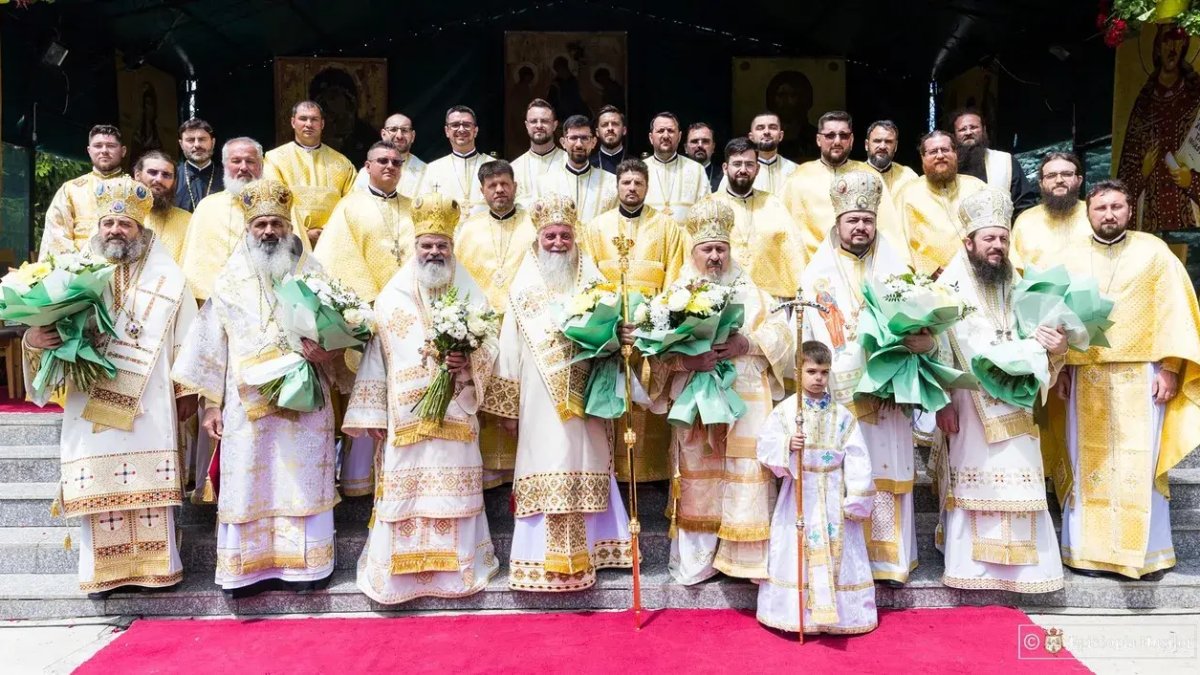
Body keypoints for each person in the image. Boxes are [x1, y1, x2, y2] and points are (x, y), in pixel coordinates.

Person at [172, 179, 353, 596]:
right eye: (261, 225)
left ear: (288, 228)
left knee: (302, 481)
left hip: (305, 403)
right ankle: (247, 571)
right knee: (249, 484)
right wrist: (210, 404)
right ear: (248, 230)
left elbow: (340, 336)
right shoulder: (229, 281)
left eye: (276, 224)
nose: (269, 231)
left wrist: (328, 353)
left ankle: (307, 568)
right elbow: (211, 347)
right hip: (246, 405)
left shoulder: (314, 275)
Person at [23, 176, 197, 598]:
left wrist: (187, 392)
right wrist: (33, 339)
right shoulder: (71, 276)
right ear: (98, 228)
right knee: (99, 483)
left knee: (148, 487)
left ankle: (156, 569)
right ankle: (102, 573)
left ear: (141, 229)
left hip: (150, 401)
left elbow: (188, 339)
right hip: (90, 401)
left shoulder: (170, 278)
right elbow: (43, 330)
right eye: (108, 224)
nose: (116, 230)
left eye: (125, 224)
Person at [342, 191, 501, 603]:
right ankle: (402, 577)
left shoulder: (470, 294)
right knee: (406, 495)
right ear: (415, 248)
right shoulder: (391, 297)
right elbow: (376, 358)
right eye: (427, 245)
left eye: (441, 246)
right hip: (406, 420)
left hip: (456, 413)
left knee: (454, 492)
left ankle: (457, 571)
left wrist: (467, 361)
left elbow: (491, 344)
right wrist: (374, 415)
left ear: (452, 248)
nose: (434, 252)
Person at [1047, 179, 1200, 580]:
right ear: (1088, 212)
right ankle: (1088, 554)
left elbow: (1173, 311)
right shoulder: (1069, 257)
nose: (1109, 214)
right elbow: (1055, 316)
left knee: (1140, 466)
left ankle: (1144, 555)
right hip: (1086, 376)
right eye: (1101, 208)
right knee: (1089, 465)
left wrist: (1170, 368)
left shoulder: (1155, 252)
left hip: (1142, 374)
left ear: (1130, 211)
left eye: (1117, 207)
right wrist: (1061, 368)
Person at [484, 193, 632, 591]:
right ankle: (537, 562)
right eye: (550, 236)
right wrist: (509, 408)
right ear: (538, 240)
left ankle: (596, 552)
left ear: (574, 237)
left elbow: (611, 335)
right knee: (545, 461)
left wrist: (617, 335)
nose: (558, 243)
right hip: (537, 398)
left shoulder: (594, 284)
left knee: (587, 459)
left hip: (587, 395)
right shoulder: (522, 290)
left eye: (565, 235)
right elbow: (509, 348)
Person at [932, 186, 1067, 593]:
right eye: (989, 238)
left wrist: (1057, 348)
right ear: (968, 242)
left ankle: (1026, 573)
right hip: (968, 402)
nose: (997, 246)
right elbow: (938, 350)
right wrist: (941, 402)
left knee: (1022, 479)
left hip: (1018, 402)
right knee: (975, 481)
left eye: (1004, 239)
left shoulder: (1020, 284)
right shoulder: (947, 288)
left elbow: (1043, 342)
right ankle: (973, 569)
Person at [651, 199, 792, 585]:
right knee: (700, 475)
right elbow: (656, 356)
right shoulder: (675, 295)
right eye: (707, 249)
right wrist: (688, 362)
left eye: (720, 249)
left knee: (746, 472)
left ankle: (745, 561)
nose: (715, 256)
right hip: (696, 401)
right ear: (693, 252)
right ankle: (700, 560)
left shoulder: (752, 290)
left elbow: (782, 334)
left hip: (746, 399)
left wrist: (747, 344)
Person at [800, 170, 918, 586]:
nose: (860, 227)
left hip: (890, 396)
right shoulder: (816, 276)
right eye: (853, 220)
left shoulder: (897, 271)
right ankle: (848, 560)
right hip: (841, 395)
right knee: (847, 472)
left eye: (867, 220)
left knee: (887, 467)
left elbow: (916, 325)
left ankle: (888, 563)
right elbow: (810, 337)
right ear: (838, 223)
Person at [755, 341, 877, 635]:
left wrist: (856, 497)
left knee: (840, 553)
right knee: (796, 551)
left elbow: (858, 456)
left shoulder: (842, 414)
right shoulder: (786, 412)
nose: (818, 378)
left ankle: (844, 617)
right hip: (800, 492)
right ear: (798, 372)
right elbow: (765, 446)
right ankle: (798, 616)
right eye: (811, 371)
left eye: (824, 372)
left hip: (834, 492)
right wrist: (787, 445)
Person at [582, 158, 688, 482]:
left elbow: (675, 276)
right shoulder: (597, 227)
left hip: (652, 331)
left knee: (649, 401)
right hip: (611, 331)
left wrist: (656, 321)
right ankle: (612, 474)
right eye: (626, 182)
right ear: (617, 186)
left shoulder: (667, 227)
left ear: (646, 187)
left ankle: (651, 475)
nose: (632, 188)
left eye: (638, 183)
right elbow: (588, 280)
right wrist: (609, 323)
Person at [456, 160, 535, 486]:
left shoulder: (532, 225)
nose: (499, 190)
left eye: (504, 184)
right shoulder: (469, 230)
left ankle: (524, 470)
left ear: (515, 186)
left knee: (526, 397)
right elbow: (458, 278)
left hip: (524, 327)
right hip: (483, 329)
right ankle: (487, 473)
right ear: (482, 191)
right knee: (481, 396)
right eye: (492, 185)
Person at [781, 111, 900, 257]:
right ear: (818, 140)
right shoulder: (798, 178)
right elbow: (784, 233)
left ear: (851, 139)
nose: (837, 141)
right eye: (830, 135)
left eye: (843, 135)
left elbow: (889, 229)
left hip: (862, 263)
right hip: (812, 263)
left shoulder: (870, 176)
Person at [1116, 24, 1200, 231]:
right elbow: (1124, 179)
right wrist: (1143, 172)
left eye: (1178, 41)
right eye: (1166, 41)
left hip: (1192, 220)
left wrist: (1192, 181)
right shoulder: (1143, 106)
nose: (1172, 48)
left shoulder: (1195, 99)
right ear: (1157, 47)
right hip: (1151, 221)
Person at [314, 141, 416, 303]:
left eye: (396, 163)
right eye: (383, 161)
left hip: (410, 298)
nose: (390, 166)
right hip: (368, 301)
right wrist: (368, 297)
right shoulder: (349, 207)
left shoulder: (413, 208)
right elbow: (339, 255)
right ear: (368, 167)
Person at [709, 137, 807, 300]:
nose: (743, 170)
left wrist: (801, 291)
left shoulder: (773, 204)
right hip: (723, 296)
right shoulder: (709, 206)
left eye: (749, 164)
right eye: (737, 164)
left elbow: (794, 251)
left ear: (757, 168)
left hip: (770, 297)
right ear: (725, 168)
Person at [179, 137, 267, 302]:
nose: (243, 167)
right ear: (225, 165)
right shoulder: (207, 207)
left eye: (250, 161)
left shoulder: (278, 206)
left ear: (261, 166)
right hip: (214, 303)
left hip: (263, 300)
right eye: (236, 161)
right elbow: (194, 269)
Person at [263, 100, 357, 247]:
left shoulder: (342, 162)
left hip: (334, 240)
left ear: (322, 124)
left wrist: (328, 231)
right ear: (293, 122)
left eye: (314, 119)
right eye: (303, 119)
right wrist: (303, 233)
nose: (308, 124)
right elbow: (274, 200)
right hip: (291, 241)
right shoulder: (274, 159)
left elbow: (352, 201)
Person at [893, 130, 988, 275]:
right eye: (933, 152)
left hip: (976, 273)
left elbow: (992, 233)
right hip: (928, 279)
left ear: (955, 153)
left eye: (945, 150)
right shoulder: (907, 194)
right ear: (923, 157)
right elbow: (898, 240)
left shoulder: (977, 188)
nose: (940, 156)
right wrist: (930, 268)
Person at [39, 124, 128, 259]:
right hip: (80, 266)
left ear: (123, 151)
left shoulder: (136, 190)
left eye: (111, 146)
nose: (104, 150)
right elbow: (56, 233)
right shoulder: (71, 189)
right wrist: (78, 265)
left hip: (125, 265)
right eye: (98, 146)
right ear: (89, 151)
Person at [1011, 152, 1093, 270]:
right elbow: (1015, 269)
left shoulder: (1095, 213)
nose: (1059, 180)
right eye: (1051, 176)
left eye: (1067, 174)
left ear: (1079, 180)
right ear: (1041, 184)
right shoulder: (1025, 220)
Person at [951, 109, 1036, 215]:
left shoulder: (1005, 161)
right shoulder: (949, 165)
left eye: (973, 127)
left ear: (984, 130)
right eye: (962, 129)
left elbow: (1024, 204)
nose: (968, 132)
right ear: (955, 135)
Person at [544, 115, 617, 224]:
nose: (579, 144)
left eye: (584, 138)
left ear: (593, 142)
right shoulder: (546, 182)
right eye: (573, 138)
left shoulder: (611, 183)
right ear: (563, 142)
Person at [424, 105, 491, 218]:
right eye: (455, 125)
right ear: (447, 131)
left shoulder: (493, 165)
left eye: (466, 125)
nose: (461, 129)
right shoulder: (433, 169)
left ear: (475, 130)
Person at [644, 112, 711, 222]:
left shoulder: (697, 170)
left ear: (679, 137)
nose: (666, 136)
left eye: (670, 131)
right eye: (661, 131)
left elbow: (707, 213)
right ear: (651, 138)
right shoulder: (639, 170)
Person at [718, 112, 798, 195]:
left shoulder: (795, 170)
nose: (766, 132)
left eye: (772, 127)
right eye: (760, 128)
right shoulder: (735, 172)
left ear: (781, 136)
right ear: (751, 137)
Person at [133, 150, 191, 264]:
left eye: (166, 175)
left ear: (174, 181)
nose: (159, 179)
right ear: (137, 175)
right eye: (152, 172)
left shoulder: (188, 220)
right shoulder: (118, 217)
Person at [352, 113, 427, 200]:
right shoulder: (366, 173)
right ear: (383, 134)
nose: (399, 136)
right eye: (393, 130)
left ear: (412, 136)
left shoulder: (425, 172)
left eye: (405, 130)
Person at [513, 99, 569, 208]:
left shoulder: (569, 162)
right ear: (526, 125)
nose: (539, 125)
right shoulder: (514, 168)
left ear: (554, 125)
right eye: (533, 121)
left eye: (544, 121)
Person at [765, 70, 819, 160]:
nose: (785, 101)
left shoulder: (815, 138)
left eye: (792, 95)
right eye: (781, 95)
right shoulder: (762, 137)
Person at [175, 118, 224, 212]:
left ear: (213, 142)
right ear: (181, 144)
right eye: (190, 140)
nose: (197, 145)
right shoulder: (171, 177)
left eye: (202, 139)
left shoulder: (227, 178)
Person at [864, 120, 918, 196]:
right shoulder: (854, 175)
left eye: (888, 142)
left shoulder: (908, 176)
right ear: (866, 145)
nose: (882, 146)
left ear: (896, 146)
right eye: (877, 141)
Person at [590, 104, 628, 174]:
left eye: (615, 124)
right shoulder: (588, 166)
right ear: (597, 132)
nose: (610, 128)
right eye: (605, 125)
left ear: (624, 130)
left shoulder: (636, 165)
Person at [685, 122, 722, 192]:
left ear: (713, 147)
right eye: (694, 141)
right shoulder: (676, 176)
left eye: (705, 141)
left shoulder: (724, 177)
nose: (700, 145)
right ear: (686, 148)